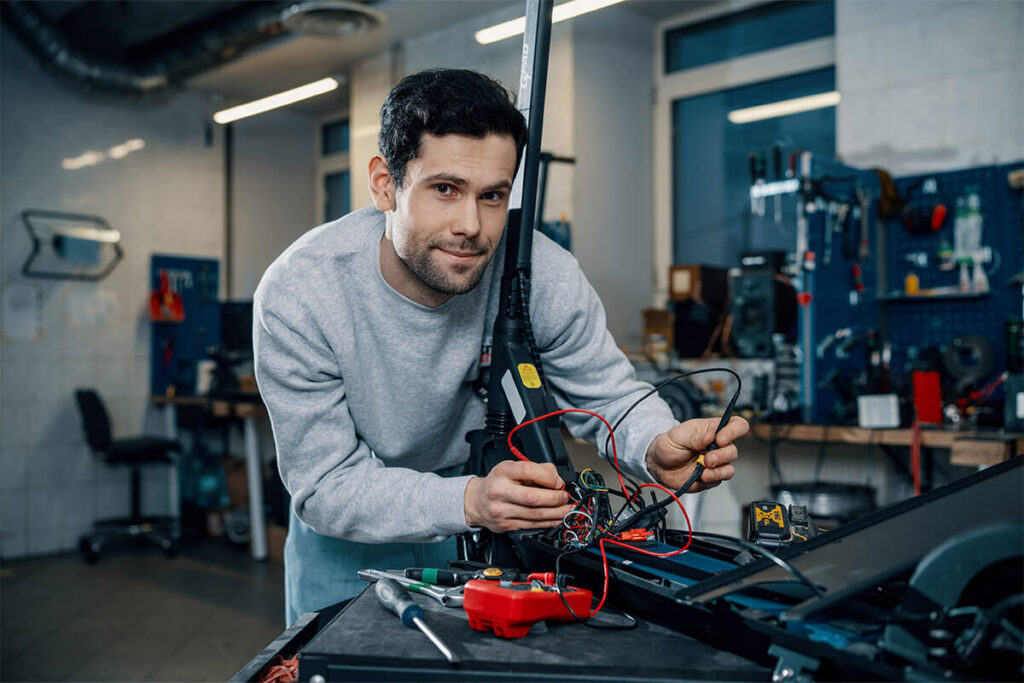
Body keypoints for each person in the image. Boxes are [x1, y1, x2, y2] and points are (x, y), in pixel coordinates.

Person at [254, 68, 748, 625]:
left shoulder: (539, 273)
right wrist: (468, 500)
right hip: (346, 538)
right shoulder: (301, 293)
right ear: (384, 184)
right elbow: (325, 485)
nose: (472, 226)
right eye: (445, 189)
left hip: (485, 526)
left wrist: (653, 446)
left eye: (493, 196)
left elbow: (609, 397)